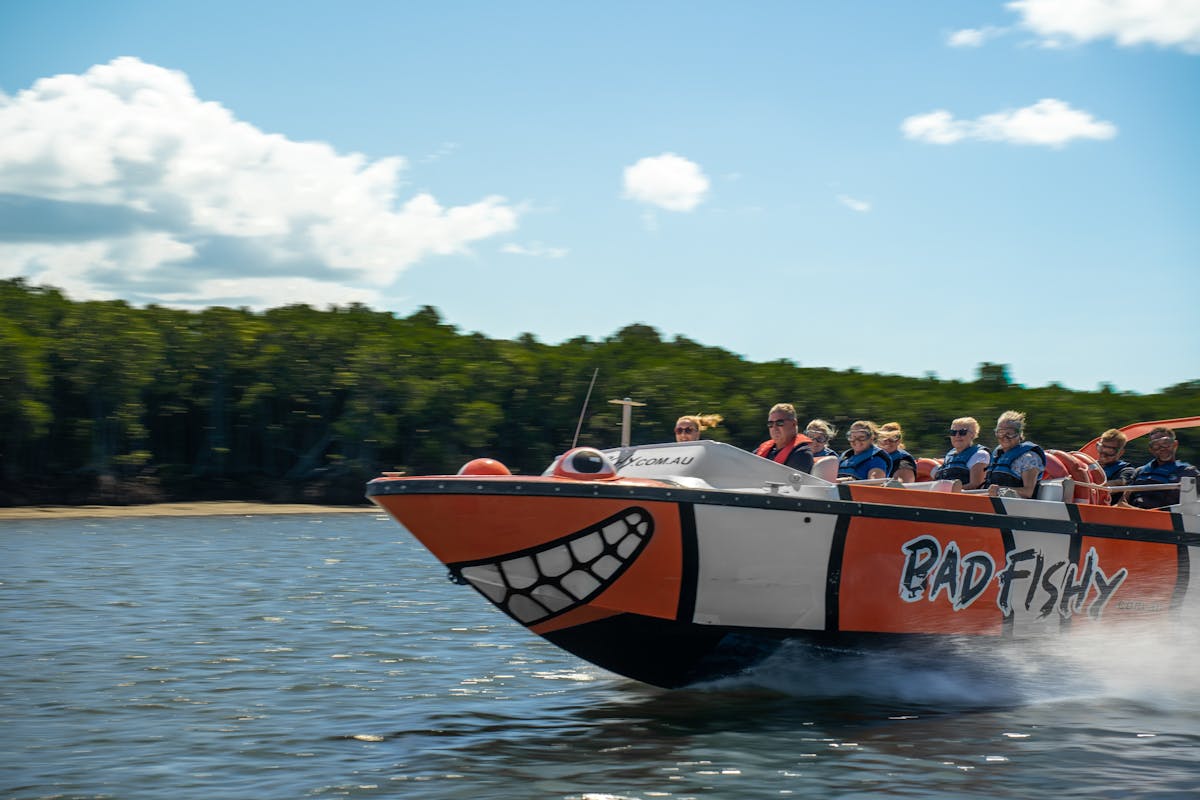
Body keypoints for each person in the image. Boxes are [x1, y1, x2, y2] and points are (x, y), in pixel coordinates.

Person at [1124, 427, 1200, 510]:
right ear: (1151, 449)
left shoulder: (1188, 472)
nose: (1162, 448)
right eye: (1156, 445)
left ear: (1175, 444)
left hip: (1171, 518)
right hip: (1137, 516)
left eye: (1166, 443)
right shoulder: (1139, 472)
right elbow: (1123, 501)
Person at [984, 410, 1045, 499]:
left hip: (1018, 506)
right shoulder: (997, 456)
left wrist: (1000, 490)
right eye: (1001, 432)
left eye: (1010, 433)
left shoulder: (1028, 458)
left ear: (1019, 434)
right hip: (993, 501)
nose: (1004, 437)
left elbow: (1028, 492)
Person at [754, 403, 815, 473]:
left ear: (794, 424)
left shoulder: (802, 454)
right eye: (770, 424)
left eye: (779, 423)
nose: (774, 428)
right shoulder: (760, 450)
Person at [933, 416, 990, 490]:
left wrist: (950, 491)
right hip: (945, 496)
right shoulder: (949, 455)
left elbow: (976, 484)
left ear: (972, 434)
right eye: (953, 433)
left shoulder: (980, 455)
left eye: (962, 432)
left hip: (966, 498)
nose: (957, 436)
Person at [1095, 428, 1136, 502]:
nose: (1103, 454)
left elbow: (1120, 484)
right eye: (1101, 448)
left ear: (1120, 452)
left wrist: (1089, 486)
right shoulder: (1087, 466)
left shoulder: (1127, 470)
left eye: (1110, 451)